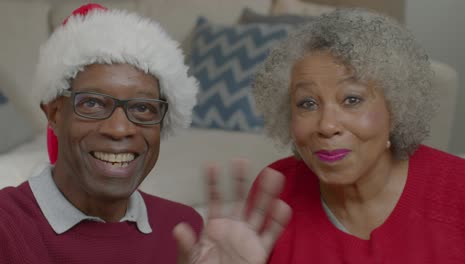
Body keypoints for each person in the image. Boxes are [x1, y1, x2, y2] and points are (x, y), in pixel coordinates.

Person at [0, 4, 291, 263]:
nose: (119, 129)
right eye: (92, 103)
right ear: (55, 114)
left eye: (142, 108)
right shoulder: (6, 227)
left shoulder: (183, 229)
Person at [250, 8, 465, 263]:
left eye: (352, 99)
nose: (327, 125)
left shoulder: (459, 192)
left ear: (395, 109)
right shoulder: (275, 192)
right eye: (307, 103)